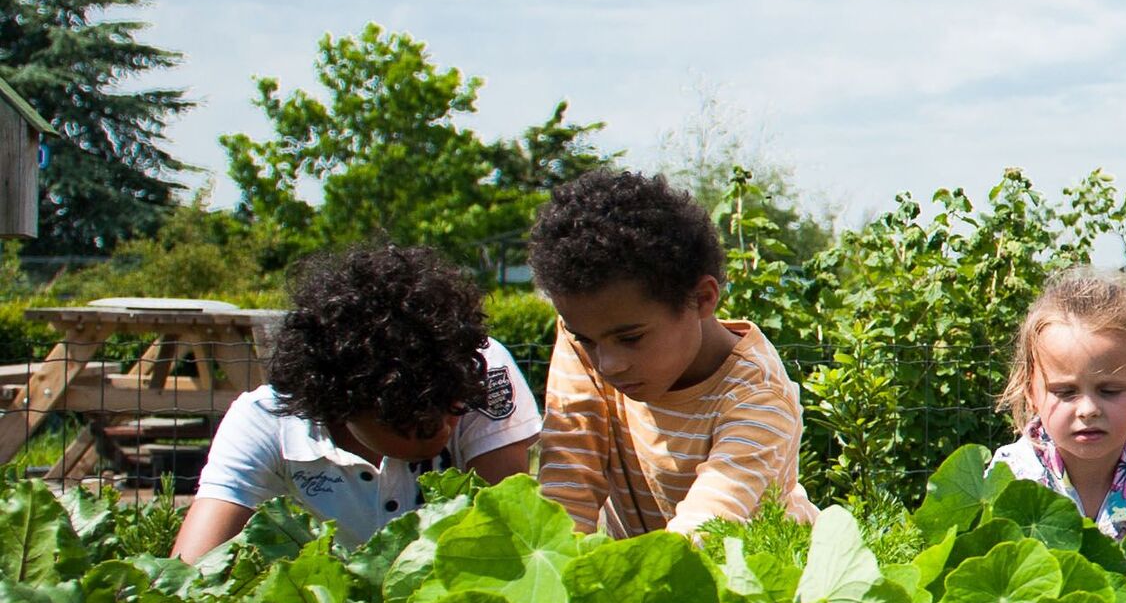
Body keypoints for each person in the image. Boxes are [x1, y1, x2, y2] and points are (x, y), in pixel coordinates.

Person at [171, 245, 539, 562]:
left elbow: (512, 539)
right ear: (340, 404)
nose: (446, 423)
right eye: (419, 419)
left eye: (454, 404)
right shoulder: (265, 420)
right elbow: (191, 570)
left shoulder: (478, 369)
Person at [529, 168, 813, 538]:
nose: (607, 364)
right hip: (649, 572)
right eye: (586, 340)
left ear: (702, 298)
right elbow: (568, 486)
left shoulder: (759, 396)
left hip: (750, 582)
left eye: (631, 338)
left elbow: (706, 528)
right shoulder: (585, 336)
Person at [991, 266, 1126, 538]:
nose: (1088, 410)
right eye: (1065, 392)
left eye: (1111, 390)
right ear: (1030, 392)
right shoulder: (1011, 474)